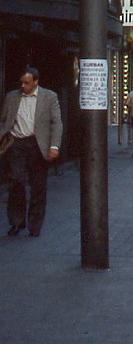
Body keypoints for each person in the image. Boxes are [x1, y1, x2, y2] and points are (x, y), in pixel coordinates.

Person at [0, 67, 62, 237]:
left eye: (26, 83)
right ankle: (17, 221)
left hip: (37, 144)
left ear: (36, 81)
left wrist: (54, 146)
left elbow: (56, 123)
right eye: (21, 82)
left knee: (38, 186)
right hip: (16, 143)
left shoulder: (49, 97)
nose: (23, 86)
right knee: (15, 181)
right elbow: (4, 119)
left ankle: (35, 225)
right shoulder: (12, 97)